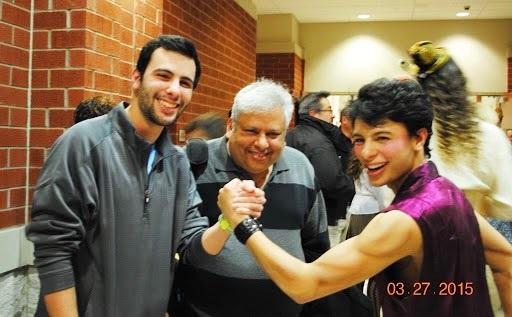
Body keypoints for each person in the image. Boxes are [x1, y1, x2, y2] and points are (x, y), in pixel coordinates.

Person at [220, 78, 512, 317]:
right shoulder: (445, 192)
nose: (366, 152)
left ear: (419, 138)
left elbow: (304, 284)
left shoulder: (405, 220)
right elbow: (506, 262)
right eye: (359, 140)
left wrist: (240, 223)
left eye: (382, 138)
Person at [26, 35, 262, 317]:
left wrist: (227, 220)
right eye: (164, 76)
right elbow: (54, 251)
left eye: (185, 83)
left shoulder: (177, 163)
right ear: (137, 78)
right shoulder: (83, 144)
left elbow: (192, 249)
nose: (174, 90)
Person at [174, 79, 369, 316]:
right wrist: (227, 221)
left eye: (274, 134)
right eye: (251, 131)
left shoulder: (300, 166)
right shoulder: (194, 166)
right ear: (230, 126)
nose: (262, 143)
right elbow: (184, 253)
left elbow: (314, 247)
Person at [286, 91, 355, 246]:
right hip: (324, 216)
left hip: (296, 213)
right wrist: (357, 186)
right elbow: (331, 181)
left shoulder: (291, 135)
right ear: (313, 113)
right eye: (329, 110)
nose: (332, 116)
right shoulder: (319, 142)